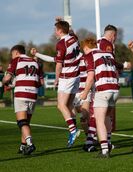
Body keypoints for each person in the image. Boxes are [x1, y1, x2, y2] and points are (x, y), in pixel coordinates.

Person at [31, 18, 82, 147]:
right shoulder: (74, 38)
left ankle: (73, 130)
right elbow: (56, 59)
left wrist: (57, 79)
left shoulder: (61, 44)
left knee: (60, 105)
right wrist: (38, 54)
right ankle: (73, 131)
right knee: (69, 105)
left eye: (56, 29)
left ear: (60, 30)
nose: (54, 31)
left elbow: (58, 65)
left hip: (67, 77)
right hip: (76, 76)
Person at [80, 38, 119, 158]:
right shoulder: (109, 54)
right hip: (115, 89)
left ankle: (104, 150)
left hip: (103, 89)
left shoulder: (90, 55)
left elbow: (90, 76)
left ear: (86, 48)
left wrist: (85, 92)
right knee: (107, 117)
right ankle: (108, 141)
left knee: (99, 120)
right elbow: (116, 72)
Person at [2, 45, 43, 155]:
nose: (12, 56)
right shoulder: (35, 61)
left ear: (16, 53)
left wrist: (3, 83)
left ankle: (30, 144)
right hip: (33, 94)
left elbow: (8, 77)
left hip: (21, 94)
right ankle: (23, 146)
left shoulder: (17, 59)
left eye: (12, 54)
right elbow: (41, 83)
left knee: (21, 122)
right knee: (26, 122)